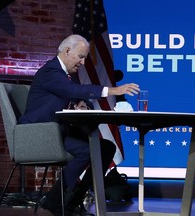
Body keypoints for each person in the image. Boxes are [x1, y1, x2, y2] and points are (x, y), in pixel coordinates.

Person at [18, 34, 140, 216]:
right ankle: (54, 199)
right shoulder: (51, 71)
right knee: (87, 150)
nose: (83, 63)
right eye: (81, 57)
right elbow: (72, 91)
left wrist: (80, 104)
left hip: (57, 131)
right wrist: (113, 90)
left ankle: (72, 202)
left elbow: (75, 95)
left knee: (105, 147)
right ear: (67, 51)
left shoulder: (65, 75)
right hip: (40, 133)